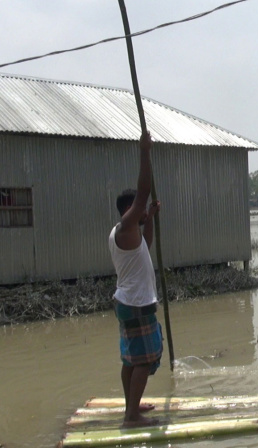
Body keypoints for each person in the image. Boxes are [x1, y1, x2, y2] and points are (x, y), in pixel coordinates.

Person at [109, 131, 163, 427]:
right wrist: (144, 151)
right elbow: (142, 192)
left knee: (131, 359)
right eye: (140, 209)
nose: (143, 209)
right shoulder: (124, 227)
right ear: (130, 211)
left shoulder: (131, 235)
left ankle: (132, 406)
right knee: (143, 359)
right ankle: (131, 416)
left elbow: (147, 246)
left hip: (129, 302)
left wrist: (151, 219)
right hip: (137, 304)